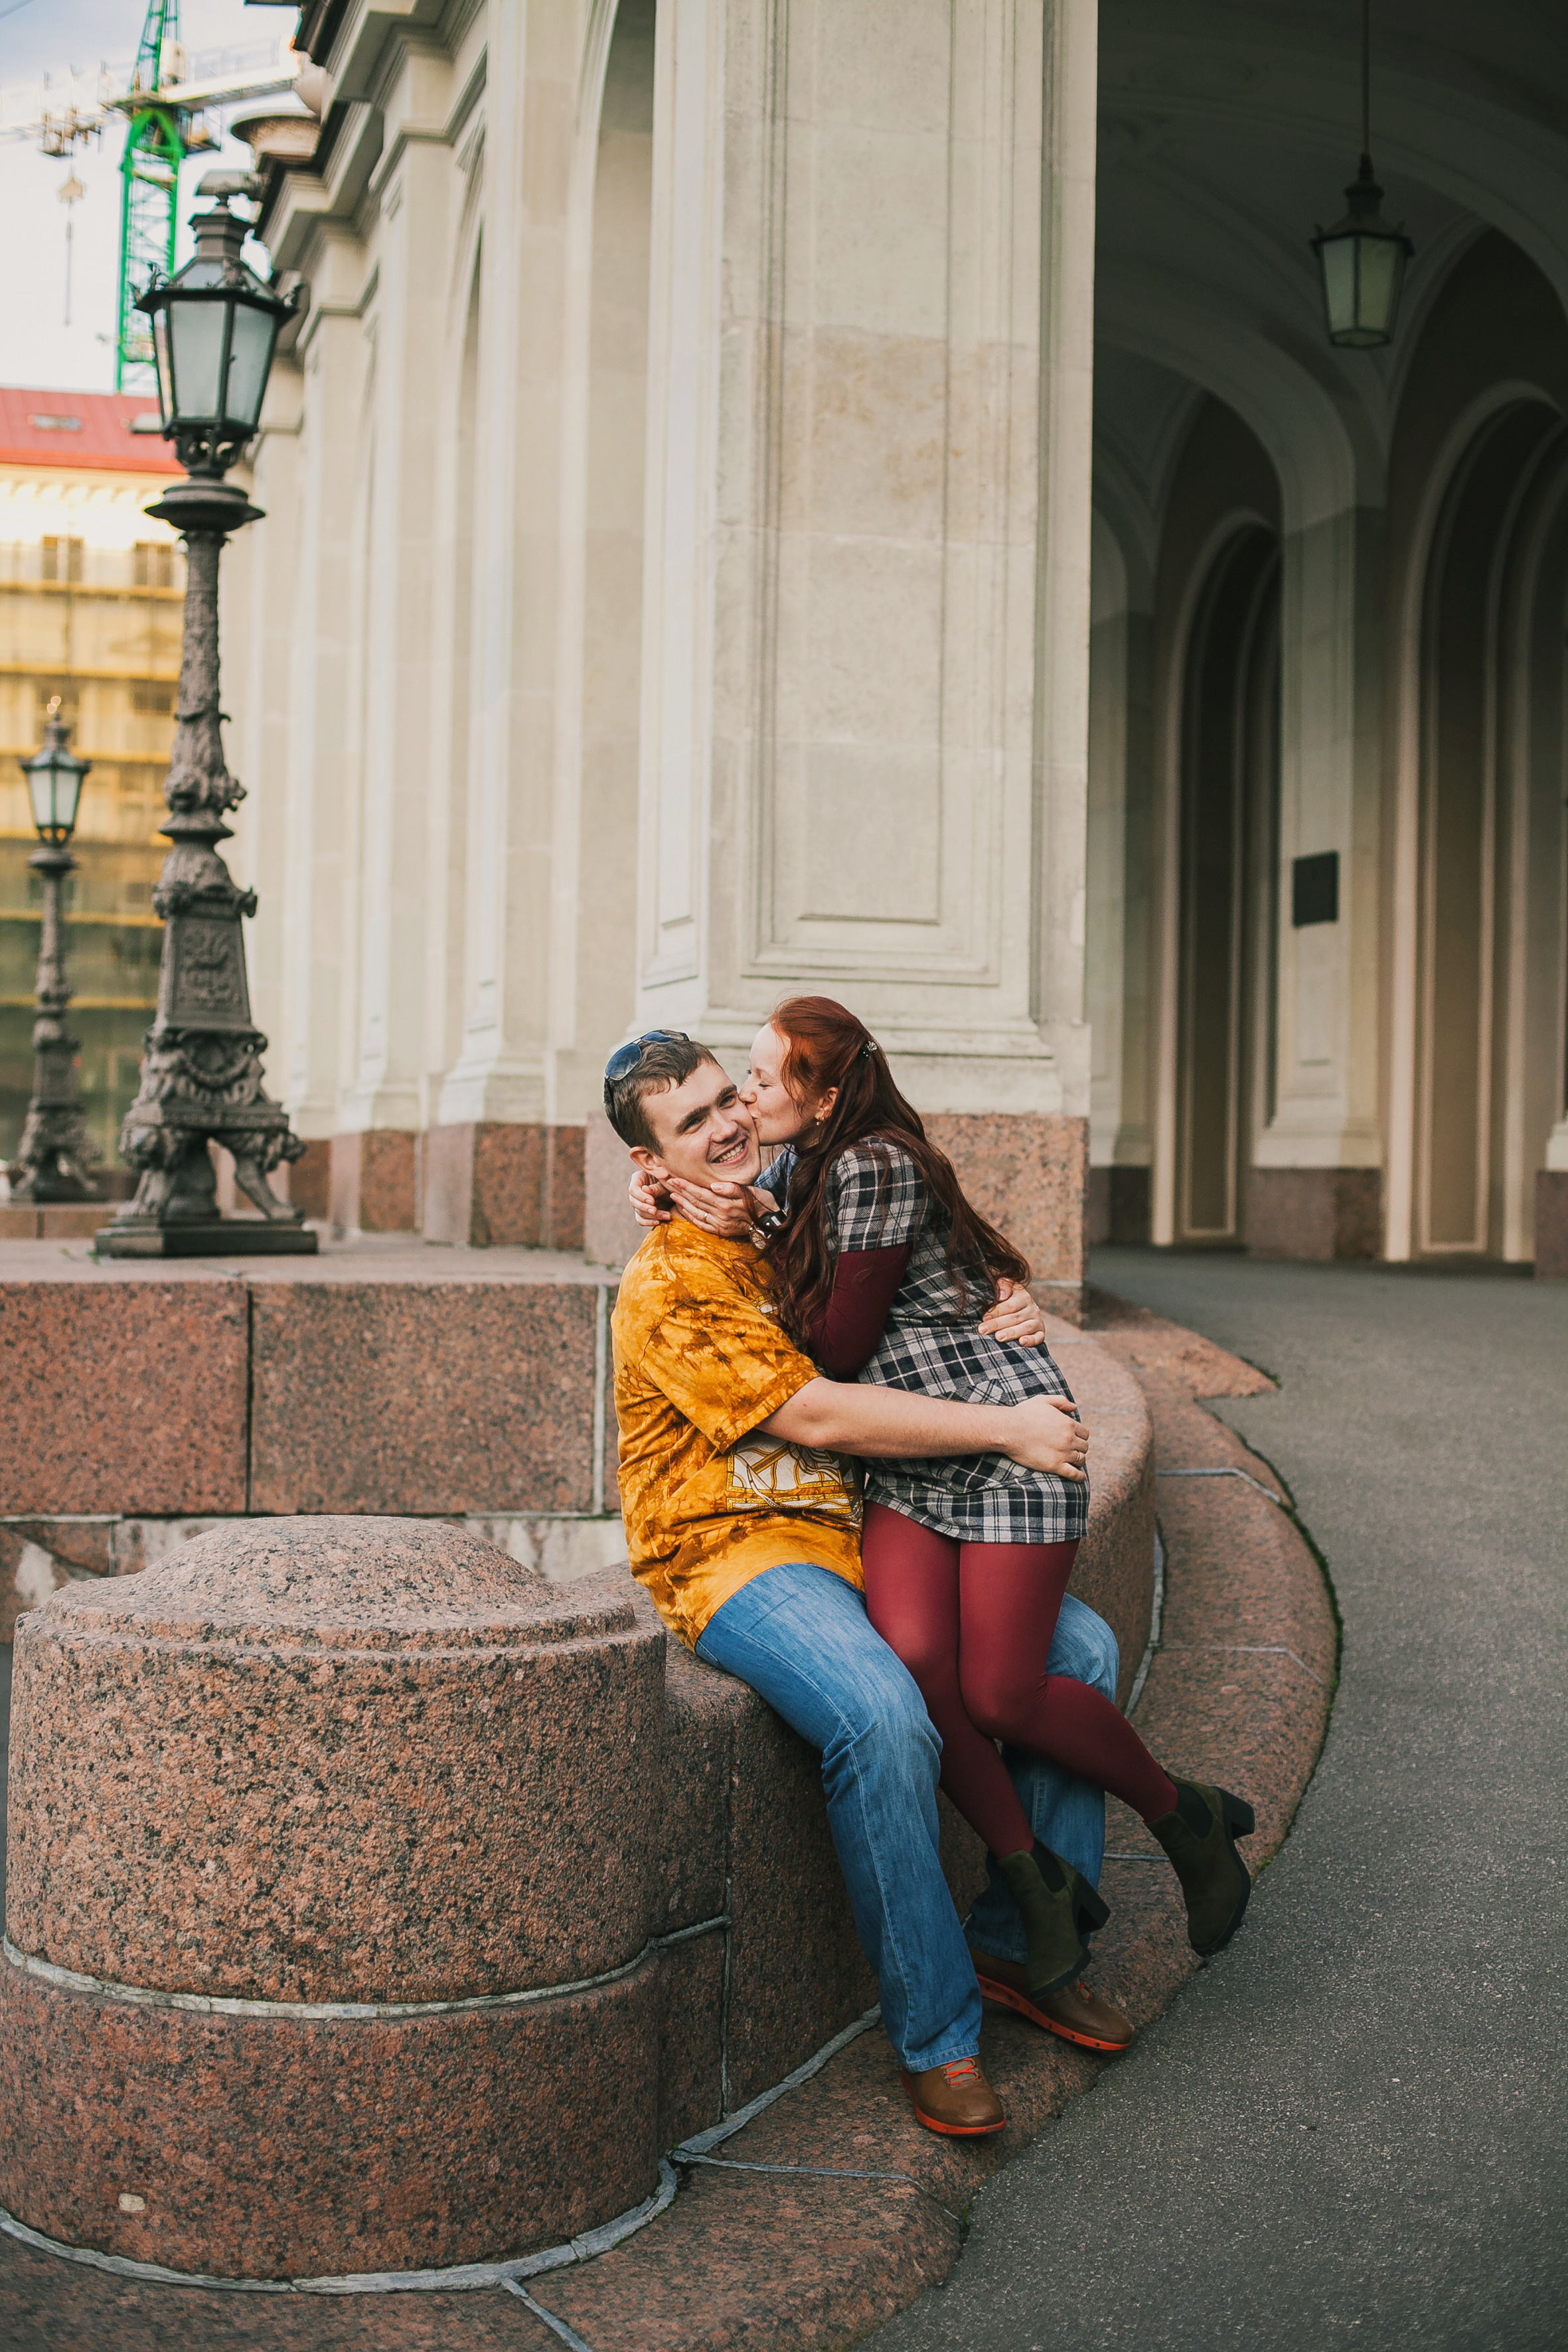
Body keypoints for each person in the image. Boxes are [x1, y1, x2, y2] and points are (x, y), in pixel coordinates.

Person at [631, 998, 1257, 2019]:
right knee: (917, 1666)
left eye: (750, 1084)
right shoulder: (788, 1168)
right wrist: (675, 1189)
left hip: (998, 1445)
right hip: (907, 1470)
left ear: (823, 1097)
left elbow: (834, 1352)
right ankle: (1033, 1891)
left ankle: (1174, 1821)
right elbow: (797, 1214)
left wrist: (997, 1304)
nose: (738, 1107)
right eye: (713, 1101)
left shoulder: (865, 1162)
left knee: (1026, 1680)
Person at [607, 1030, 1102, 2138]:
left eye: (725, 1096)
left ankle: (1030, 1941)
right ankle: (938, 2033)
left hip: (864, 1522)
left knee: (1082, 1654)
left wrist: (1009, 1300)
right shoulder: (669, 1282)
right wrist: (1008, 1431)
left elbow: (921, 1258)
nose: (726, 1122)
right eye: (689, 1124)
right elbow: (817, 1412)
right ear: (651, 1165)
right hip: (734, 1549)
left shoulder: (790, 1197)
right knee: (881, 1715)